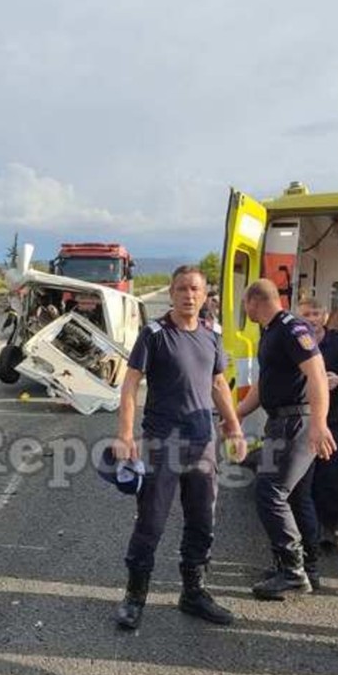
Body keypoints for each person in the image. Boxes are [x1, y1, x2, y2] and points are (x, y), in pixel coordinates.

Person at [113, 266, 247, 629]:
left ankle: (193, 593)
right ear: (171, 293)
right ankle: (134, 597)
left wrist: (233, 427)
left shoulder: (212, 335)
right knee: (151, 523)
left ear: (205, 296)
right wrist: (125, 435)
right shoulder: (154, 334)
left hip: (203, 444)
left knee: (202, 520)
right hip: (162, 444)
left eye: (196, 289)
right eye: (182, 289)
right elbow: (130, 386)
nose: (189, 295)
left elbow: (219, 383)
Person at [236, 279, 336, 600]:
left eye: (244, 305)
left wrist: (319, 423)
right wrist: (235, 413)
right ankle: (304, 567)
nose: (244, 310)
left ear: (253, 302)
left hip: (295, 423)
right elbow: (266, 384)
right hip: (285, 420)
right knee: (296, 497)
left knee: (270, 492)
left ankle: (292, 572)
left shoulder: (292, 328)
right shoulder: (271, 331)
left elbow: (317, 373)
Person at [298, 297, 338, 550]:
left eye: (316, 313)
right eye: (306, 314)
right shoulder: (293, 341)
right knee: (302, 478)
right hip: (302, 420)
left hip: (334, 421)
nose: (312, 319)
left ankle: (327, 528)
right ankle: (304, 530)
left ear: (325, 316)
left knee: (330, 478)